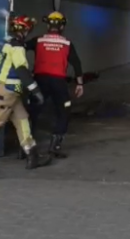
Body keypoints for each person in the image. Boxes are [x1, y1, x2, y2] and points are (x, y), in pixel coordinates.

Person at [0, 15, 52, 173]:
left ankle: (32, 155)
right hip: (9, 92)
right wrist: (35, 90)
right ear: (25, 30)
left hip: (5, 90)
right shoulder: (17, 47)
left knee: (22, 119)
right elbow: (21, 70)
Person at [26, 11, 84, 159]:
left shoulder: (38, 40)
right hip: (59, 82)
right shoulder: (66, 43)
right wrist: (79, 84)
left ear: (47, 25)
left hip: (40, 81)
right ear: (62, 26)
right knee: (64, 111)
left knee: (32, 112)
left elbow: (21, 47)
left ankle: (26, 146)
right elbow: (76, 63)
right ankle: (55, 146)